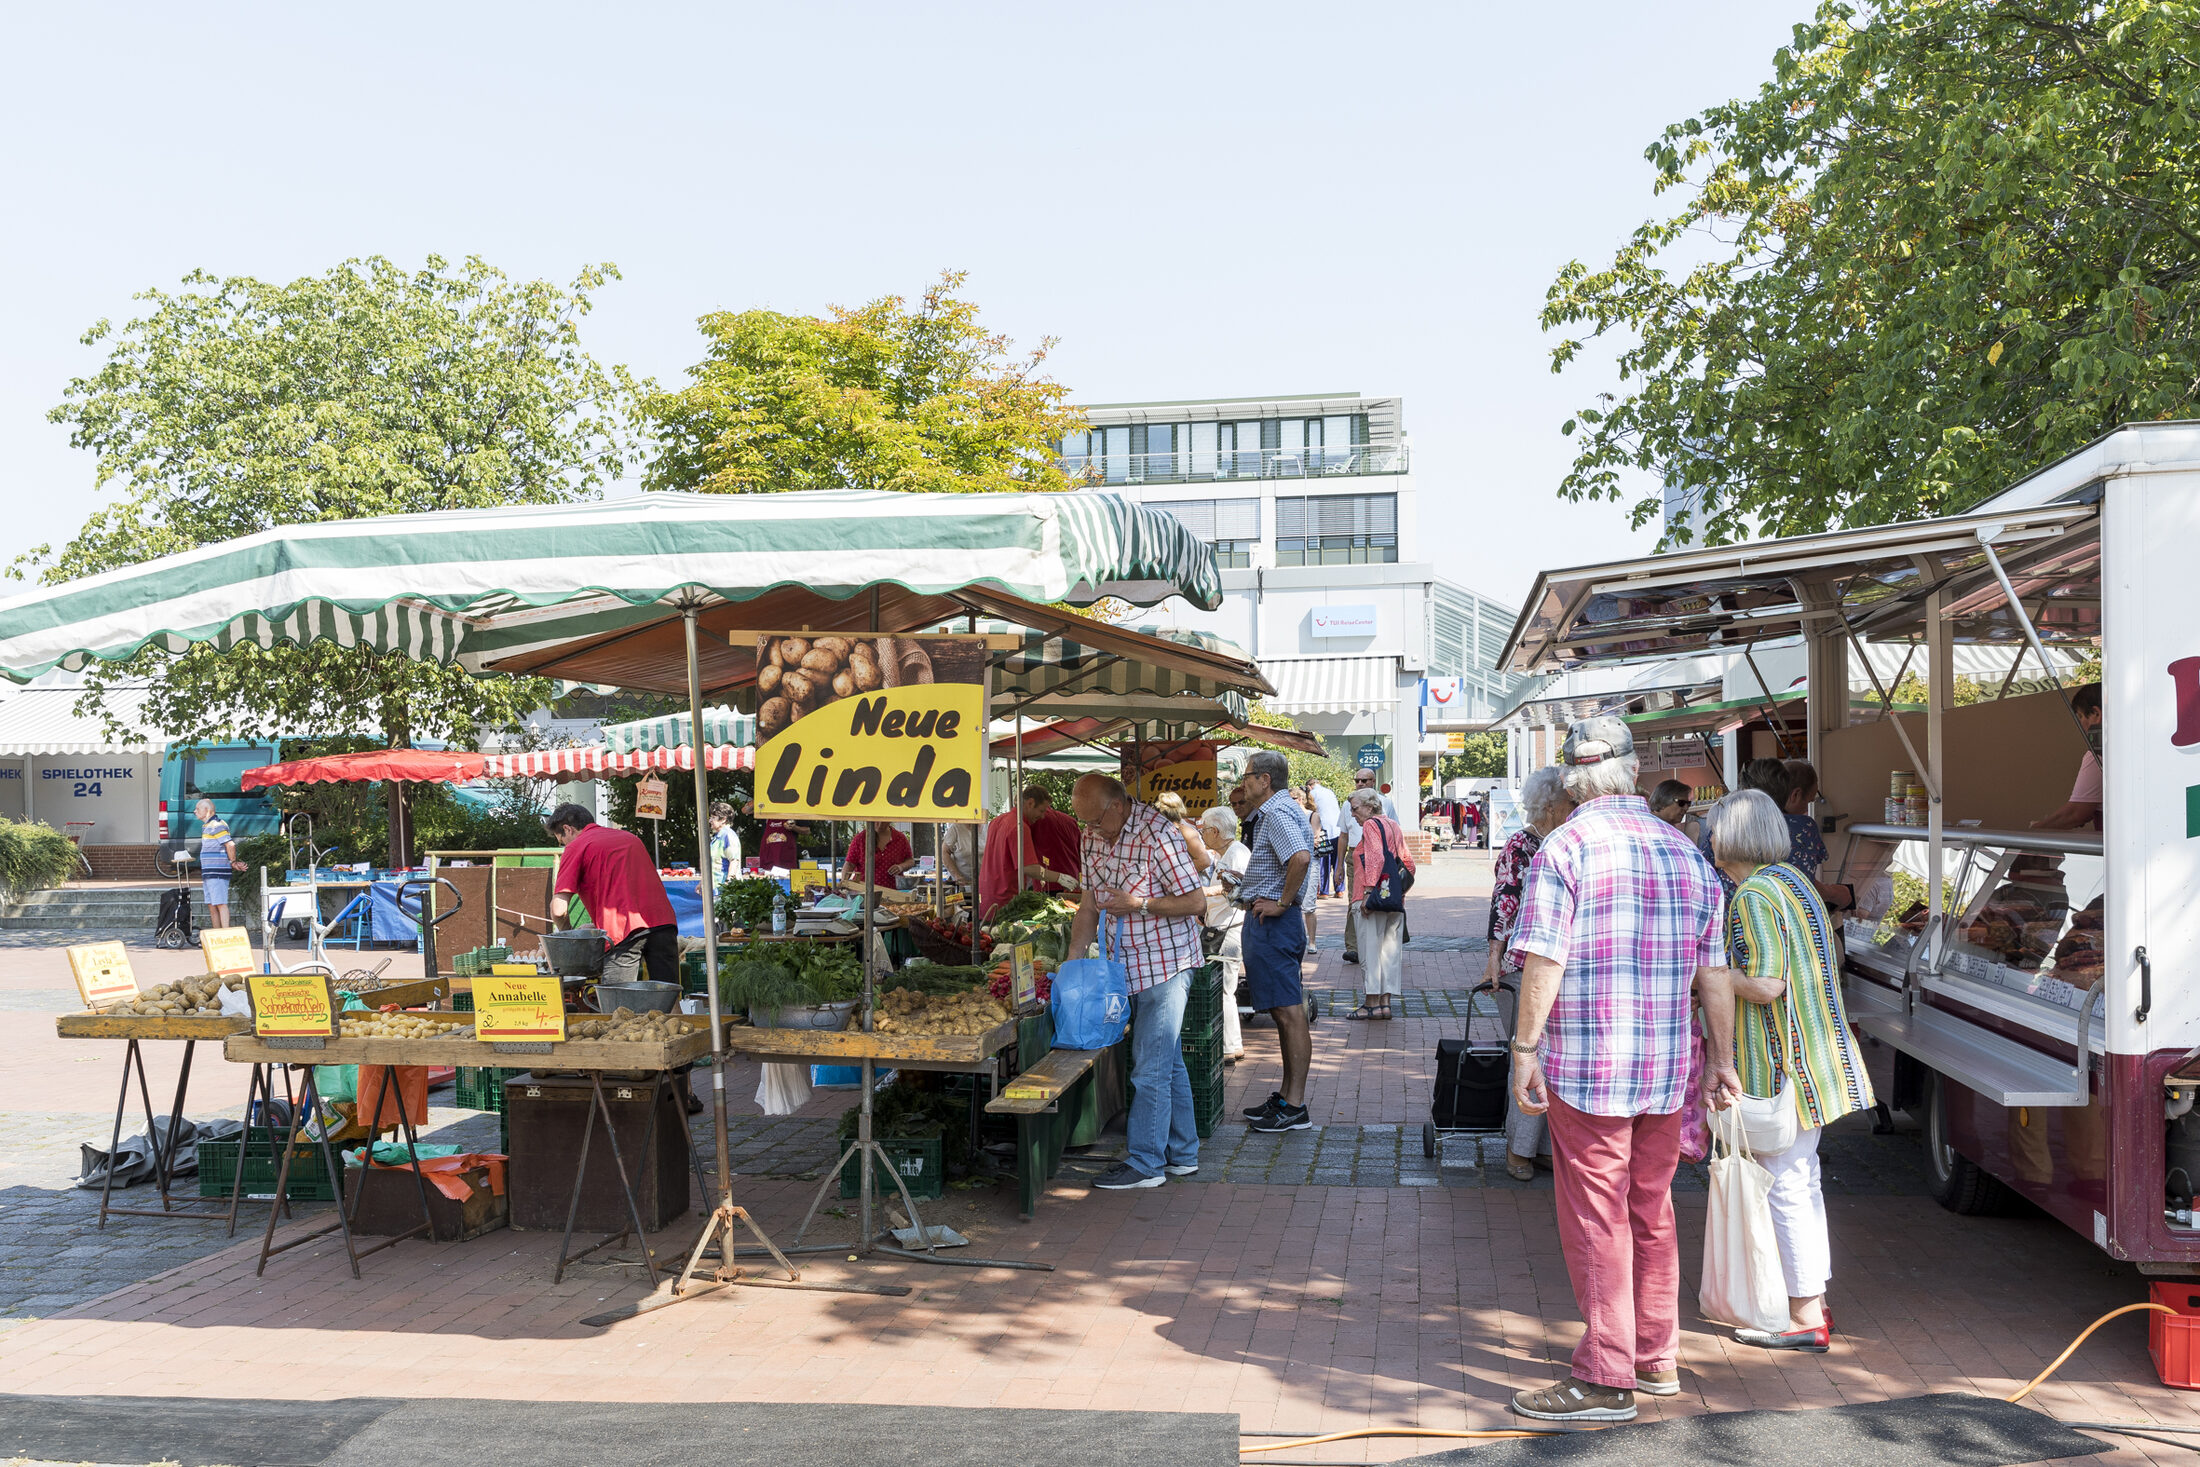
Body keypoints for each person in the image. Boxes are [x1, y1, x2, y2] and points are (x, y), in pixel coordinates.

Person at [1505, 716, 1738, 1424]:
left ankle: (1607, 1376)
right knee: (1652, 1207)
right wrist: (1721, 1059)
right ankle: (1655, 1354)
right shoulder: (1687, 853)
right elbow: (1716, 971)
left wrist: (1524, 1047)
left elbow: (1544, 955)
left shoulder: (1563, 848)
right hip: (1666, 1065)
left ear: (1573, 780)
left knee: (1598, 1214)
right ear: (1633, 771)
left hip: (1590, 1065)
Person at [1705, 788, 1876, 1353]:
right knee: (1803, 1181)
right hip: (1819, 1058)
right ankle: (1814, 1303)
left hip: (1782, 1066)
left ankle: (1803, 1315)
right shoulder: (1797, 882)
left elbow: (1766, 985)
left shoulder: (1753, 894)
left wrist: (1709, 975)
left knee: (1785, 1184)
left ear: (1726, 838)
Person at [1069, 774, 1208, 1190]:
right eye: (1085, 823)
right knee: (1167, 1062)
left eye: (1095, 820)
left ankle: (1146, 1163)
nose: (1090, 830)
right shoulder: (1091, 837)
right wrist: (1074, 962)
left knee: (1149, 1067)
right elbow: (1089, 905)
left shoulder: (1157, 833)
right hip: (1121, 967)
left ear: (1116, 806)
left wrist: (1140, 904)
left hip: (1167, 965)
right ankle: (1183, 1154)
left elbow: (1196, 901)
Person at [1484, 767, 1575, 1180]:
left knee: (1550, 1059)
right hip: (1522, 966)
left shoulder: (1562, 842)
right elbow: (1503, 903)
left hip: (1552, 964)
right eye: (1571, 802)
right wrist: (1494, 960)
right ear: (1552, 806)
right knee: (1527, 1054)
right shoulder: (1523, 844)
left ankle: (1539, 1148)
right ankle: (1519, 1150)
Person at [1235, 750, 1317, 1133]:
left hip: (1275, 926)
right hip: (1269, 923)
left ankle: (1295, 1106)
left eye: (1247, 774)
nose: (1243, 781)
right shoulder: (1279, 811)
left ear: (1264, 780)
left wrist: (1282, 903)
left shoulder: (1277, 813)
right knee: (1285, 1014)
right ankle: (1287, 1098)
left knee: (1289, 1012)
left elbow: (1299, 858)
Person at [546, 803, 681, 987]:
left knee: (618, 1007)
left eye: (561, 841)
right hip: (663, 923)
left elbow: (558, 909)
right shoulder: (630, 838)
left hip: (624, 931)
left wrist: (570, 937)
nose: (564, 846)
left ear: (567, 829)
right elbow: (629, 894)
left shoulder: (577, 846)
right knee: (669, 998)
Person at [1345, 788, 1415, 1021]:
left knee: (1370, 952)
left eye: (1355, 809)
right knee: (1390, 953)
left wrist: (1368, 893)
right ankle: (1385, 1004)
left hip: (1371, 899)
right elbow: (1409, 865)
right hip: (1394, 902)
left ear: (1370, 806)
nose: (1352, 814)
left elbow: (1375, 858)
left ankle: (1370, 1004)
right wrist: (1396, 892)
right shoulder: (1393, 825)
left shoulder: (1371, 825)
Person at [1197, 805, 1252, 1063]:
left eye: (1204, 829)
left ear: (1215, 831)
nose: (1202, 834)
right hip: (1222, 925)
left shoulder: (1236, 853)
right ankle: (1231, 1044)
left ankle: (1230, 1046)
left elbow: (1234, 889)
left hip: (1231, 927)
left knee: (1224, 989)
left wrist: (1203, 894)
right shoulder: (1227, 853)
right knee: (1222, 988)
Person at [979, 786, 1082, 920]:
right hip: (1006, 901)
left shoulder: (996, 821)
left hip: (987, 896)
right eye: (1041, 810)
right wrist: (1060, 878)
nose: (1043, 816)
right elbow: (1030, 868)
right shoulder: (1019, 827)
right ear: (1030, 803)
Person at [2036, 682, 2104, 830]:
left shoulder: (2098, 756)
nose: (2080, 724)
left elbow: (2075, 813)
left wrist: (2034, 831)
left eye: (2080, 716)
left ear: (2096, 714)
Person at [194, 798, 237, 930]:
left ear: (207, 811)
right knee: (212, 905)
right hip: (209, 872)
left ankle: (225, 934)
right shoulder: (207, 826)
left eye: (198, 809)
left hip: (217, 872)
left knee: (220, 904)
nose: (195, 811)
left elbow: (230, 844)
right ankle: (217, 935)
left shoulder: (217, 825)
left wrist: (233, 862)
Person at [741, 802, 810, 873]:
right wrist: (760, 799)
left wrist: (794, 827)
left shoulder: (795, 808)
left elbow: (807, 830)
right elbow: (745, 810)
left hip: (786, 858)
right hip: (768, 857)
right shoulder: (766, 807)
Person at [845, 822, 915, 890]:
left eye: (884, 821)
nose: (880, 824)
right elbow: (849, 864)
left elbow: (910, 860)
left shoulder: (900, 838)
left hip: (892, 892)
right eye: (877, 820)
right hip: (863, 891)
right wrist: (844, 884)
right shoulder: (860, 839)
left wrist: (901, 867)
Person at [1304, 779, 1342, 896]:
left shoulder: (1312, 794)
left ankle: (1324, 891)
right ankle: (1339, 889)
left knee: (1324, 861)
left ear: (1309, 787)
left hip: (1324, 830)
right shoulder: (1330, 792)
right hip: (1337, 829)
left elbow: (1311, 810)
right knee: (1337, 860)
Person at [707, 801, 743, 886]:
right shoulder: (717, 837)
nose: (710, 820)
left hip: (725, 891)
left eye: (713, 817)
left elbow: (734, 860)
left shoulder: (728, 836)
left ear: (723, 819)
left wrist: (729, 882)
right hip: (717, 888)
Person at [939, 820, 978, 891]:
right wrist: (957, 876)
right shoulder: (956, 828)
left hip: (984, 882)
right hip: (963, 884)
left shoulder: (988, 828)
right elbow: (944, 852)